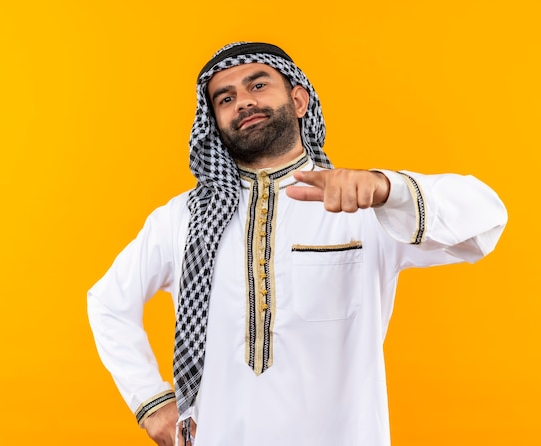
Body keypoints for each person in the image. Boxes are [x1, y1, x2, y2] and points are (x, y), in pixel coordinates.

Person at [87, 41, 507, 446]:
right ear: (214, 121)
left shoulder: (361, 202)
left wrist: (387, 188)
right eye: (225, 99)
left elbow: (486, 222)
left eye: (257, 85)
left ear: (299, 100)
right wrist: (151, 403)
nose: (244, 103)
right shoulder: (182, 219)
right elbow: (107, 302)